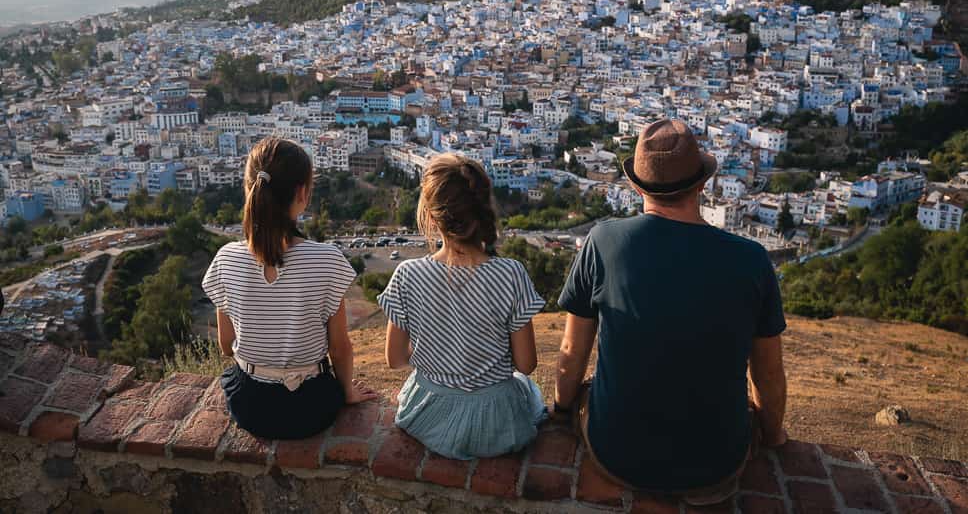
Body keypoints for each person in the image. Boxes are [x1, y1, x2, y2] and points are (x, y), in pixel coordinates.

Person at [554, 119, 788, 506]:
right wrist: (774, 435)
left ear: (636, 186)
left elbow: (572, 350)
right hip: (717, 463)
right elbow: (767, 371)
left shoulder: (604, 242)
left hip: (616, 454)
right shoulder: (751, 260)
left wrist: (563, 412)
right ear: (702, 184)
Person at [202, 136, 376, 440]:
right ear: (302, 193)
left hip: (249, 405)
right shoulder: (326, 260)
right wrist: (347, 391)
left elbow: (226, 345)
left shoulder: (226, 258)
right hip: (311, 408)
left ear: (249, 189)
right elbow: (339, 347)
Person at [378, 153, 547, 460]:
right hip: (498, 422)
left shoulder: (407, 275)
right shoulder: (511, 274)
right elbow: (526, 365)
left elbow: (394, 359)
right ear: (483, 209)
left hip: (428, 416)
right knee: (529, 390)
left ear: (430, 217)